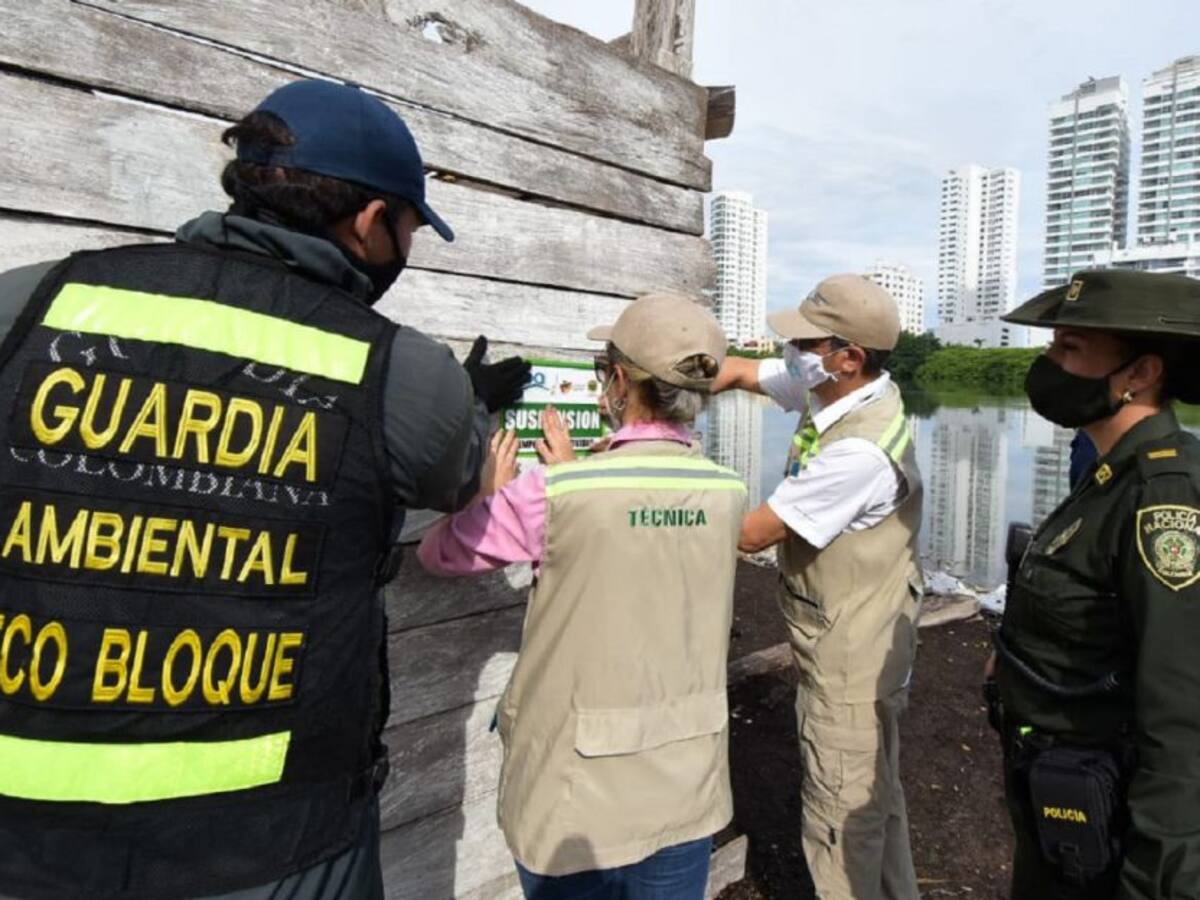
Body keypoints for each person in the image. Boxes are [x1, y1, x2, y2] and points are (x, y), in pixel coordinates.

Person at [0, 79, 528, 899]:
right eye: (410, 227)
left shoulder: (30, 302)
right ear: (368, 221)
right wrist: (469, 404)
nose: (407, 247)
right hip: (281, 847)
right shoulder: (399, 370)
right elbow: (458, 475)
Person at [418, 293, 747, 900]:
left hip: (579, 796)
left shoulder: (555, 493)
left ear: (619, 382)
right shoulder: (728, 489)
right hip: (688, 782)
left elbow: (439, 552)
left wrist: (484, 489)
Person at [987, 269, 1200, 899]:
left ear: (1139, 374)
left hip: (1112, 829)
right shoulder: (1108, 476)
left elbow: (1182, 707)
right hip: (1060, 796)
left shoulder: (1165, 497)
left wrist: (1159, 878)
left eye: (1069, 348)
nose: (1048, 363)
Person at [711, 274, 922, 899]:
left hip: (852, 654)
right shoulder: (847, 392)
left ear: (847, 357)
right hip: (867, 629)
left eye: (803, 342)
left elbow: (751, 534)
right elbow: (743, 374)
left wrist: (655, 492)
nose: (789, 353)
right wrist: (679, 370)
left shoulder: (857, 453)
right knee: (875, 797)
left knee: (840, 816)